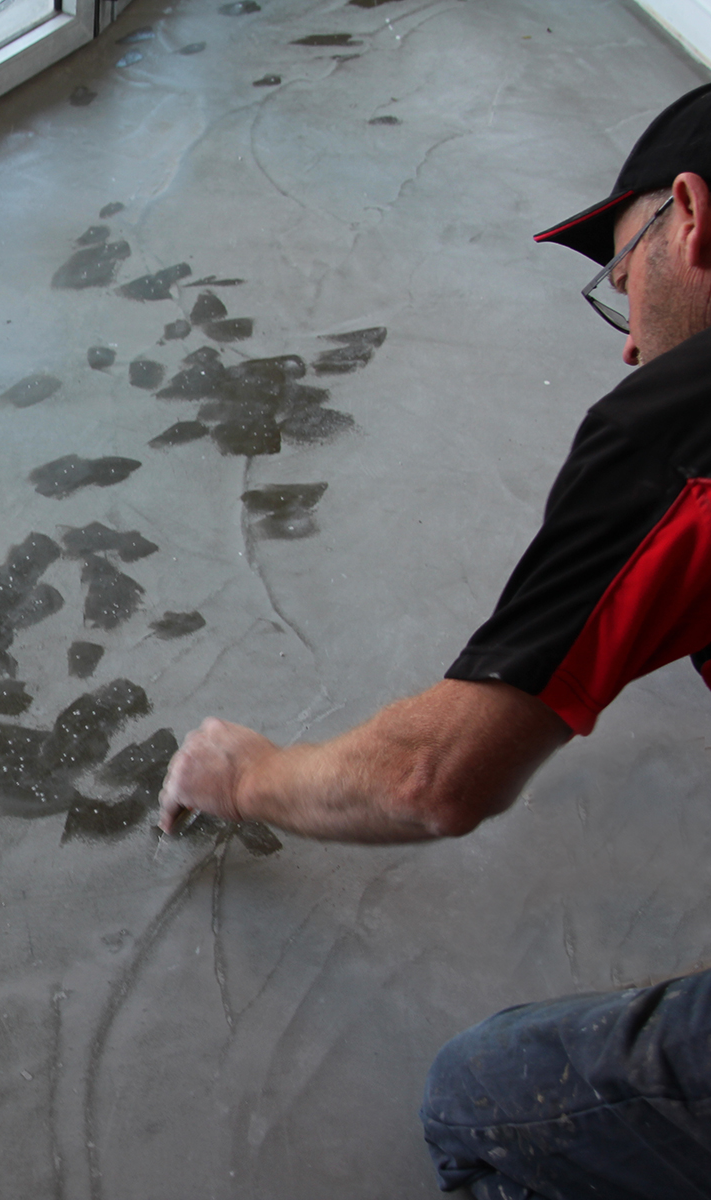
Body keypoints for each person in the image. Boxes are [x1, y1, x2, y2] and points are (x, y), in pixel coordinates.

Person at [159, 82, 711, 1199]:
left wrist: (247, 773)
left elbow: (433, 780)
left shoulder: (683, 432)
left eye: (620, 284)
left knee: (485, 1100)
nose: (628, 346)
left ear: (689, 216)